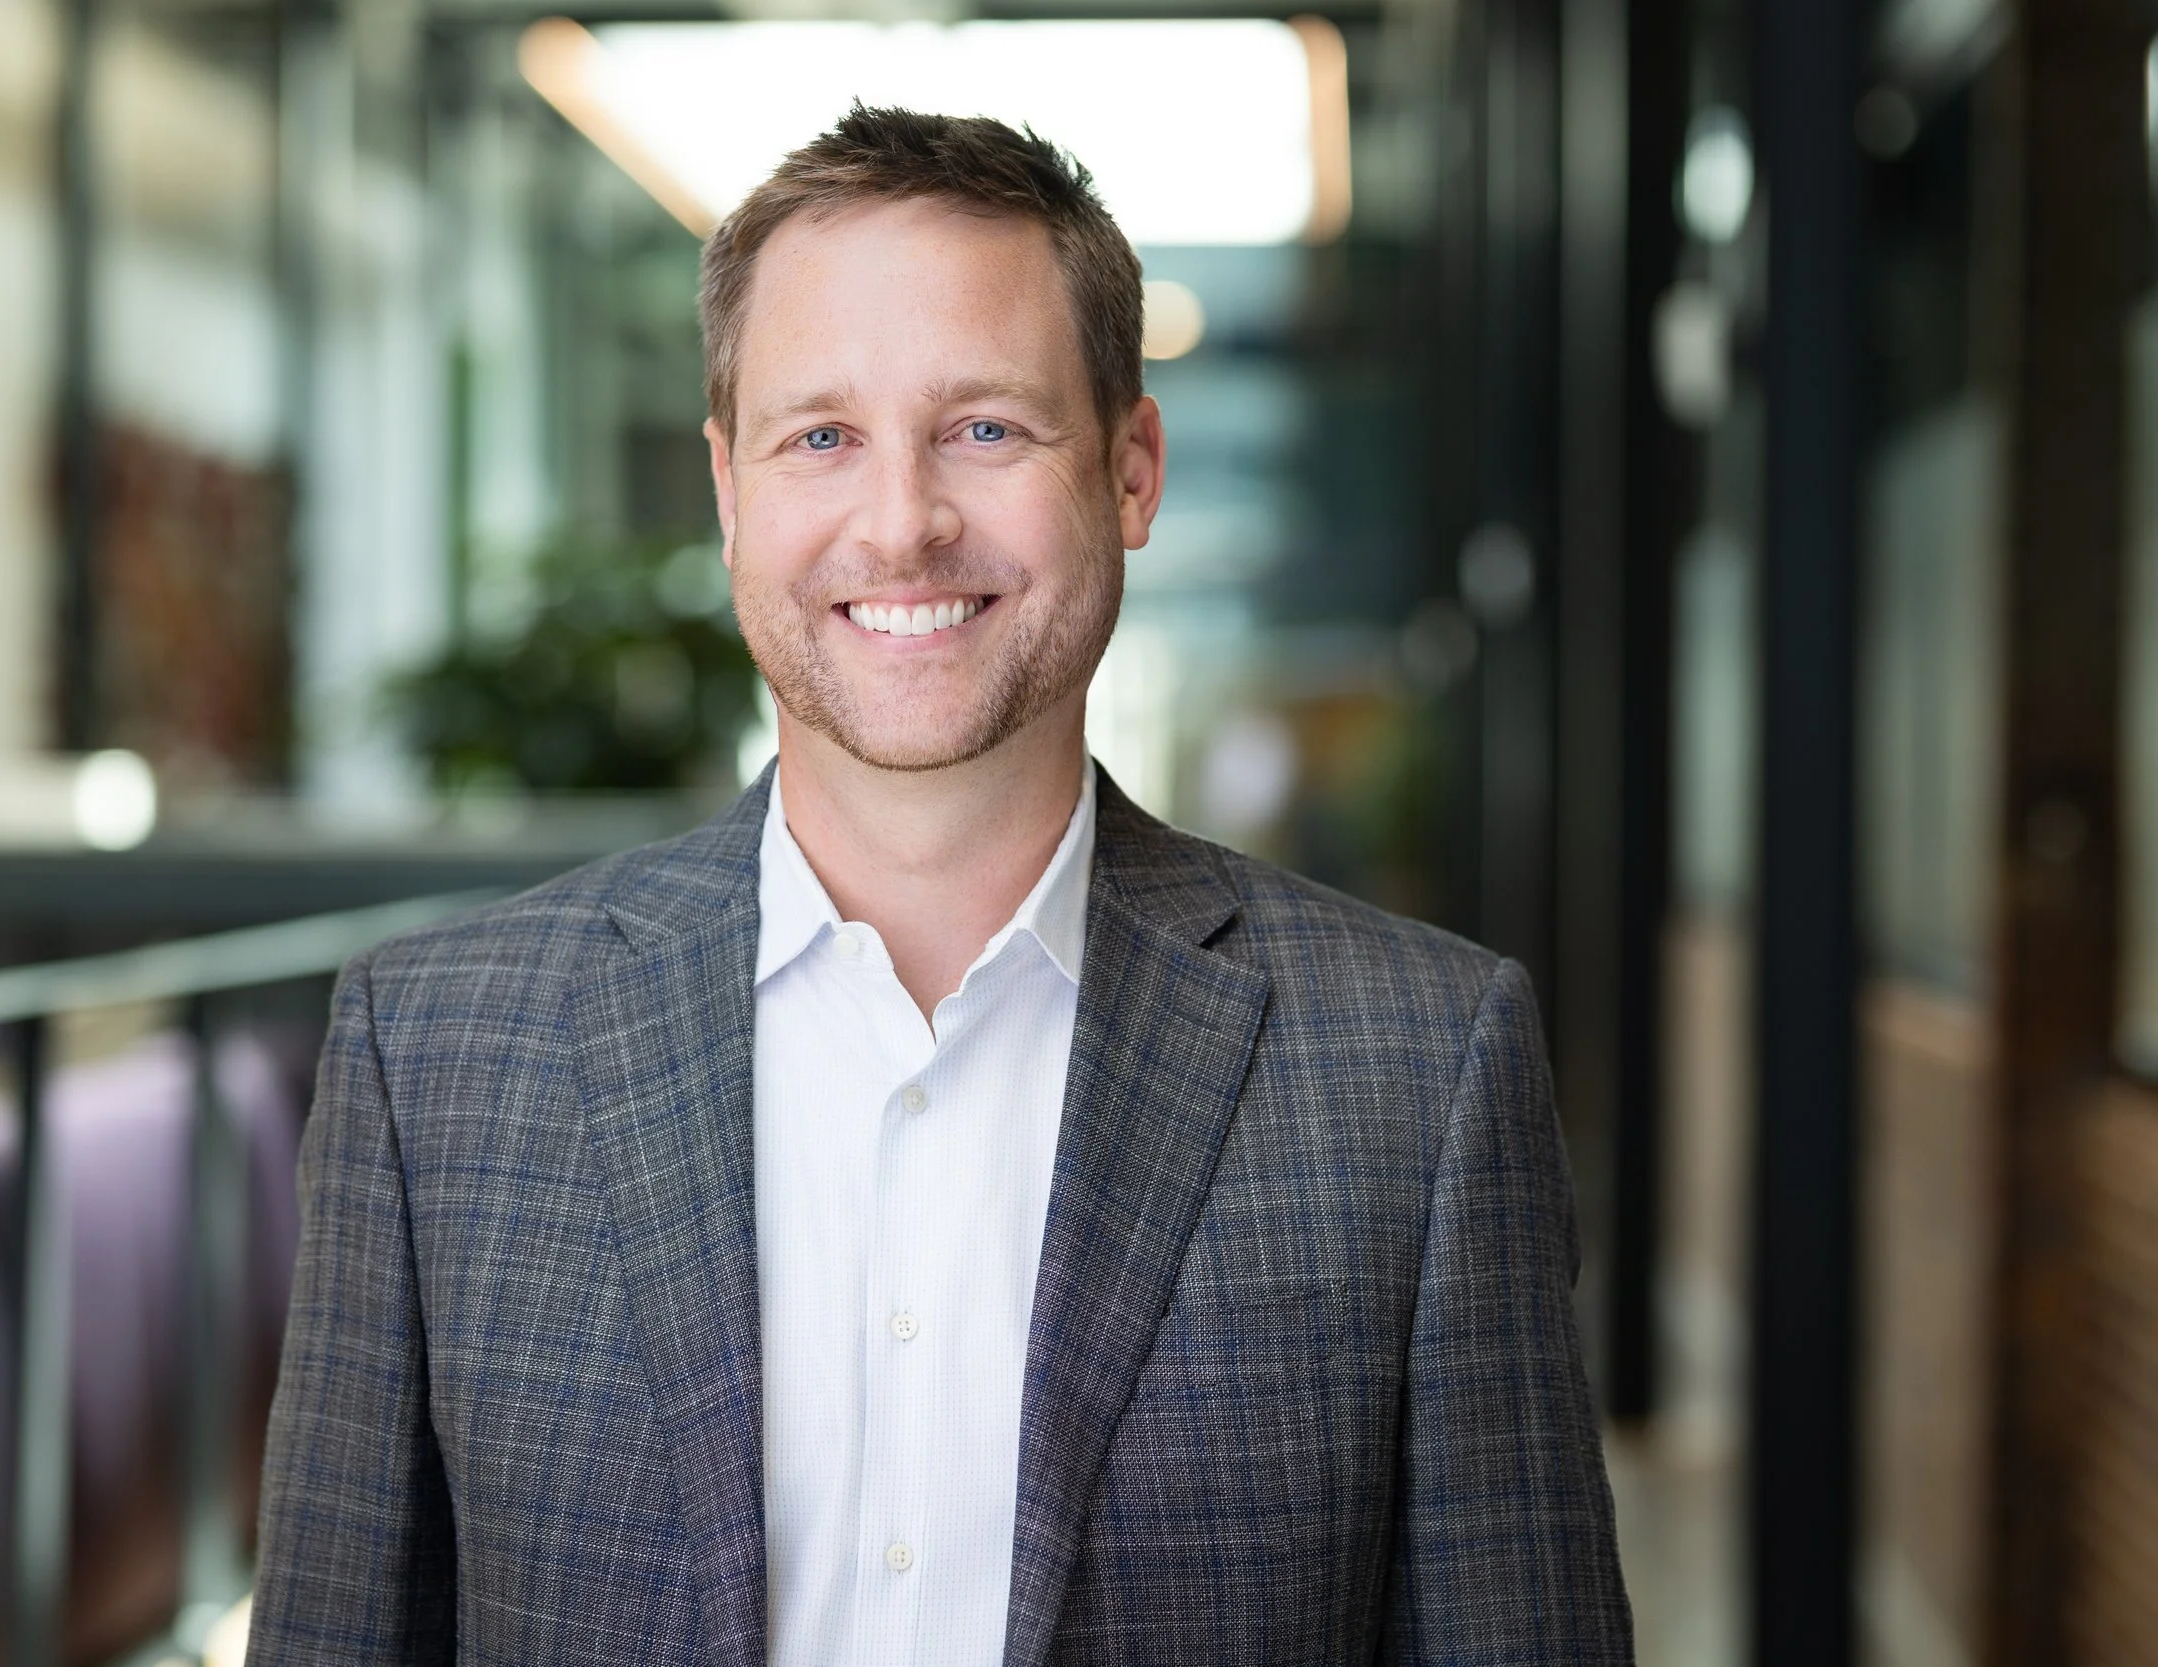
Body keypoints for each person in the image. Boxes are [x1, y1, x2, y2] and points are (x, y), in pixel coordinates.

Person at [247, 105, 1631, 1667]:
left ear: (1130, 470)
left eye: (985, 427)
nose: (900, 522)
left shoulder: (1421, 1068)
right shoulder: (436, 1054)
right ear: (727, 490)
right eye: (820, 435)